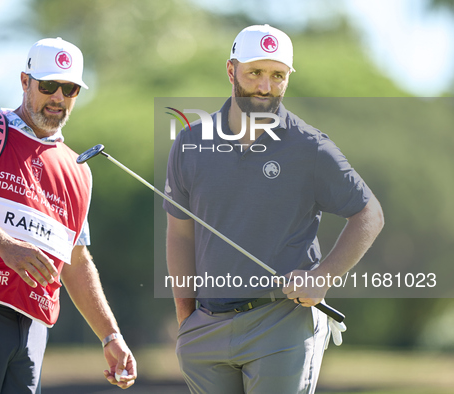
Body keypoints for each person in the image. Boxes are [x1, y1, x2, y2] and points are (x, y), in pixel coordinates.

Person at [164, 25, 384, 393]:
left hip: (282, 322)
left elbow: (369, 213)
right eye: (255, 73)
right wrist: (187, 320)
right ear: (231, 71)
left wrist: (324, 276)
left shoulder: (310, 147)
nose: (265, 87)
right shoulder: (189, 142)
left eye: (277, 76)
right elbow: (179, 233)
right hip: (207, 327)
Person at [0, 37, 136, 393]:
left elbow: (75, 258)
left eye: (69, 88)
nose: (58, 97)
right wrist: (8, 247)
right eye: (48, 85)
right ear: (25, 81)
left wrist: (110, 336)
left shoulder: (79, 171)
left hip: (33, 329)